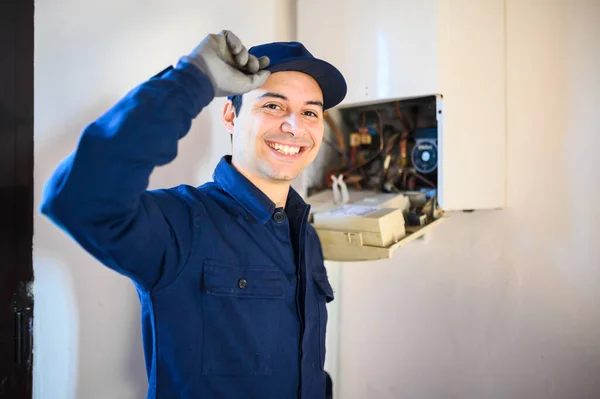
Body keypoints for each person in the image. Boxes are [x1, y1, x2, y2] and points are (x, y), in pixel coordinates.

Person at [40, 30, 347, 399]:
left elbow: (303, 366)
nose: (294, 127)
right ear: (231, 116)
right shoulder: (183, 223)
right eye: (273, 106)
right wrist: (194, 77)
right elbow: (79, 199)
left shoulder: (304, 234)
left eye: (309, 112)